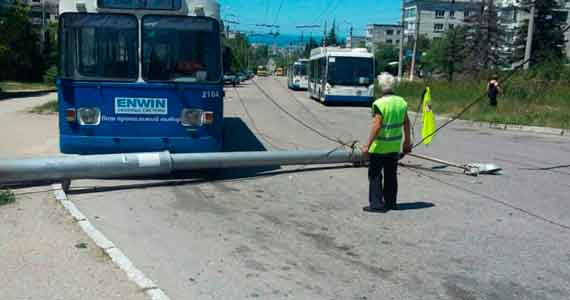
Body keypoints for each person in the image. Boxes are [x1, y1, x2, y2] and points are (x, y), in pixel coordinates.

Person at [362, 73, 412, 213]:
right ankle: (390, 202)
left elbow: (377, 126)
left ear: (380, 86)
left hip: (380, 147)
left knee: (375, 175)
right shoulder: (401, 102)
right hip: (394, 146)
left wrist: (367, 145)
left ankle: (377, 204)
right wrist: (407, 141)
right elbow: (406, 123)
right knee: (391, 175)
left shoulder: (379, 104)